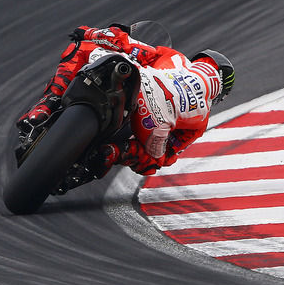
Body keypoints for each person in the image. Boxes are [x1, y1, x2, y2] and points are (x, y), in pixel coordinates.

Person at [16, 23, 234, 178]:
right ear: (219, 95)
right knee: (157, 160)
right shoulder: (201, 119)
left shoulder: (176, 58)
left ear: (198, 61)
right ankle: (113, 153)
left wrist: (89, 32)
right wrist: (129, 153)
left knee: (82, 49)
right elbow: (167, 156)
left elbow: (128, 44)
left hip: (145, 84)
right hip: (154, 124)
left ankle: (44, 106)